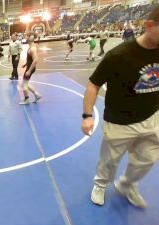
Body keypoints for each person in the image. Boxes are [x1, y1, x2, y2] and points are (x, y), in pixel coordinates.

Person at [82, 5, 159, 209]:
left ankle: (126, 184)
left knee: (148, 159)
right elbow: (93, 84)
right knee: (109, 161)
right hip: (119, 122)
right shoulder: (119, 55)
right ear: (149, 25)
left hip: (152, 118)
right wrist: (87, 115)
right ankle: (100, 185)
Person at [19, 35, 42, 105]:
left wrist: (29, 71)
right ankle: (36, 95)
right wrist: (26, 64)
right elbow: (31, 59)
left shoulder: (32, 48)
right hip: (29, 67)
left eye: (28, 37)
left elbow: (35, 60)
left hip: (30, 69)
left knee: (24, 84)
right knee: (25, 83)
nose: (26, 37)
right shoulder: (31, 47)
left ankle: (27, 99)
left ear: (30, 39)